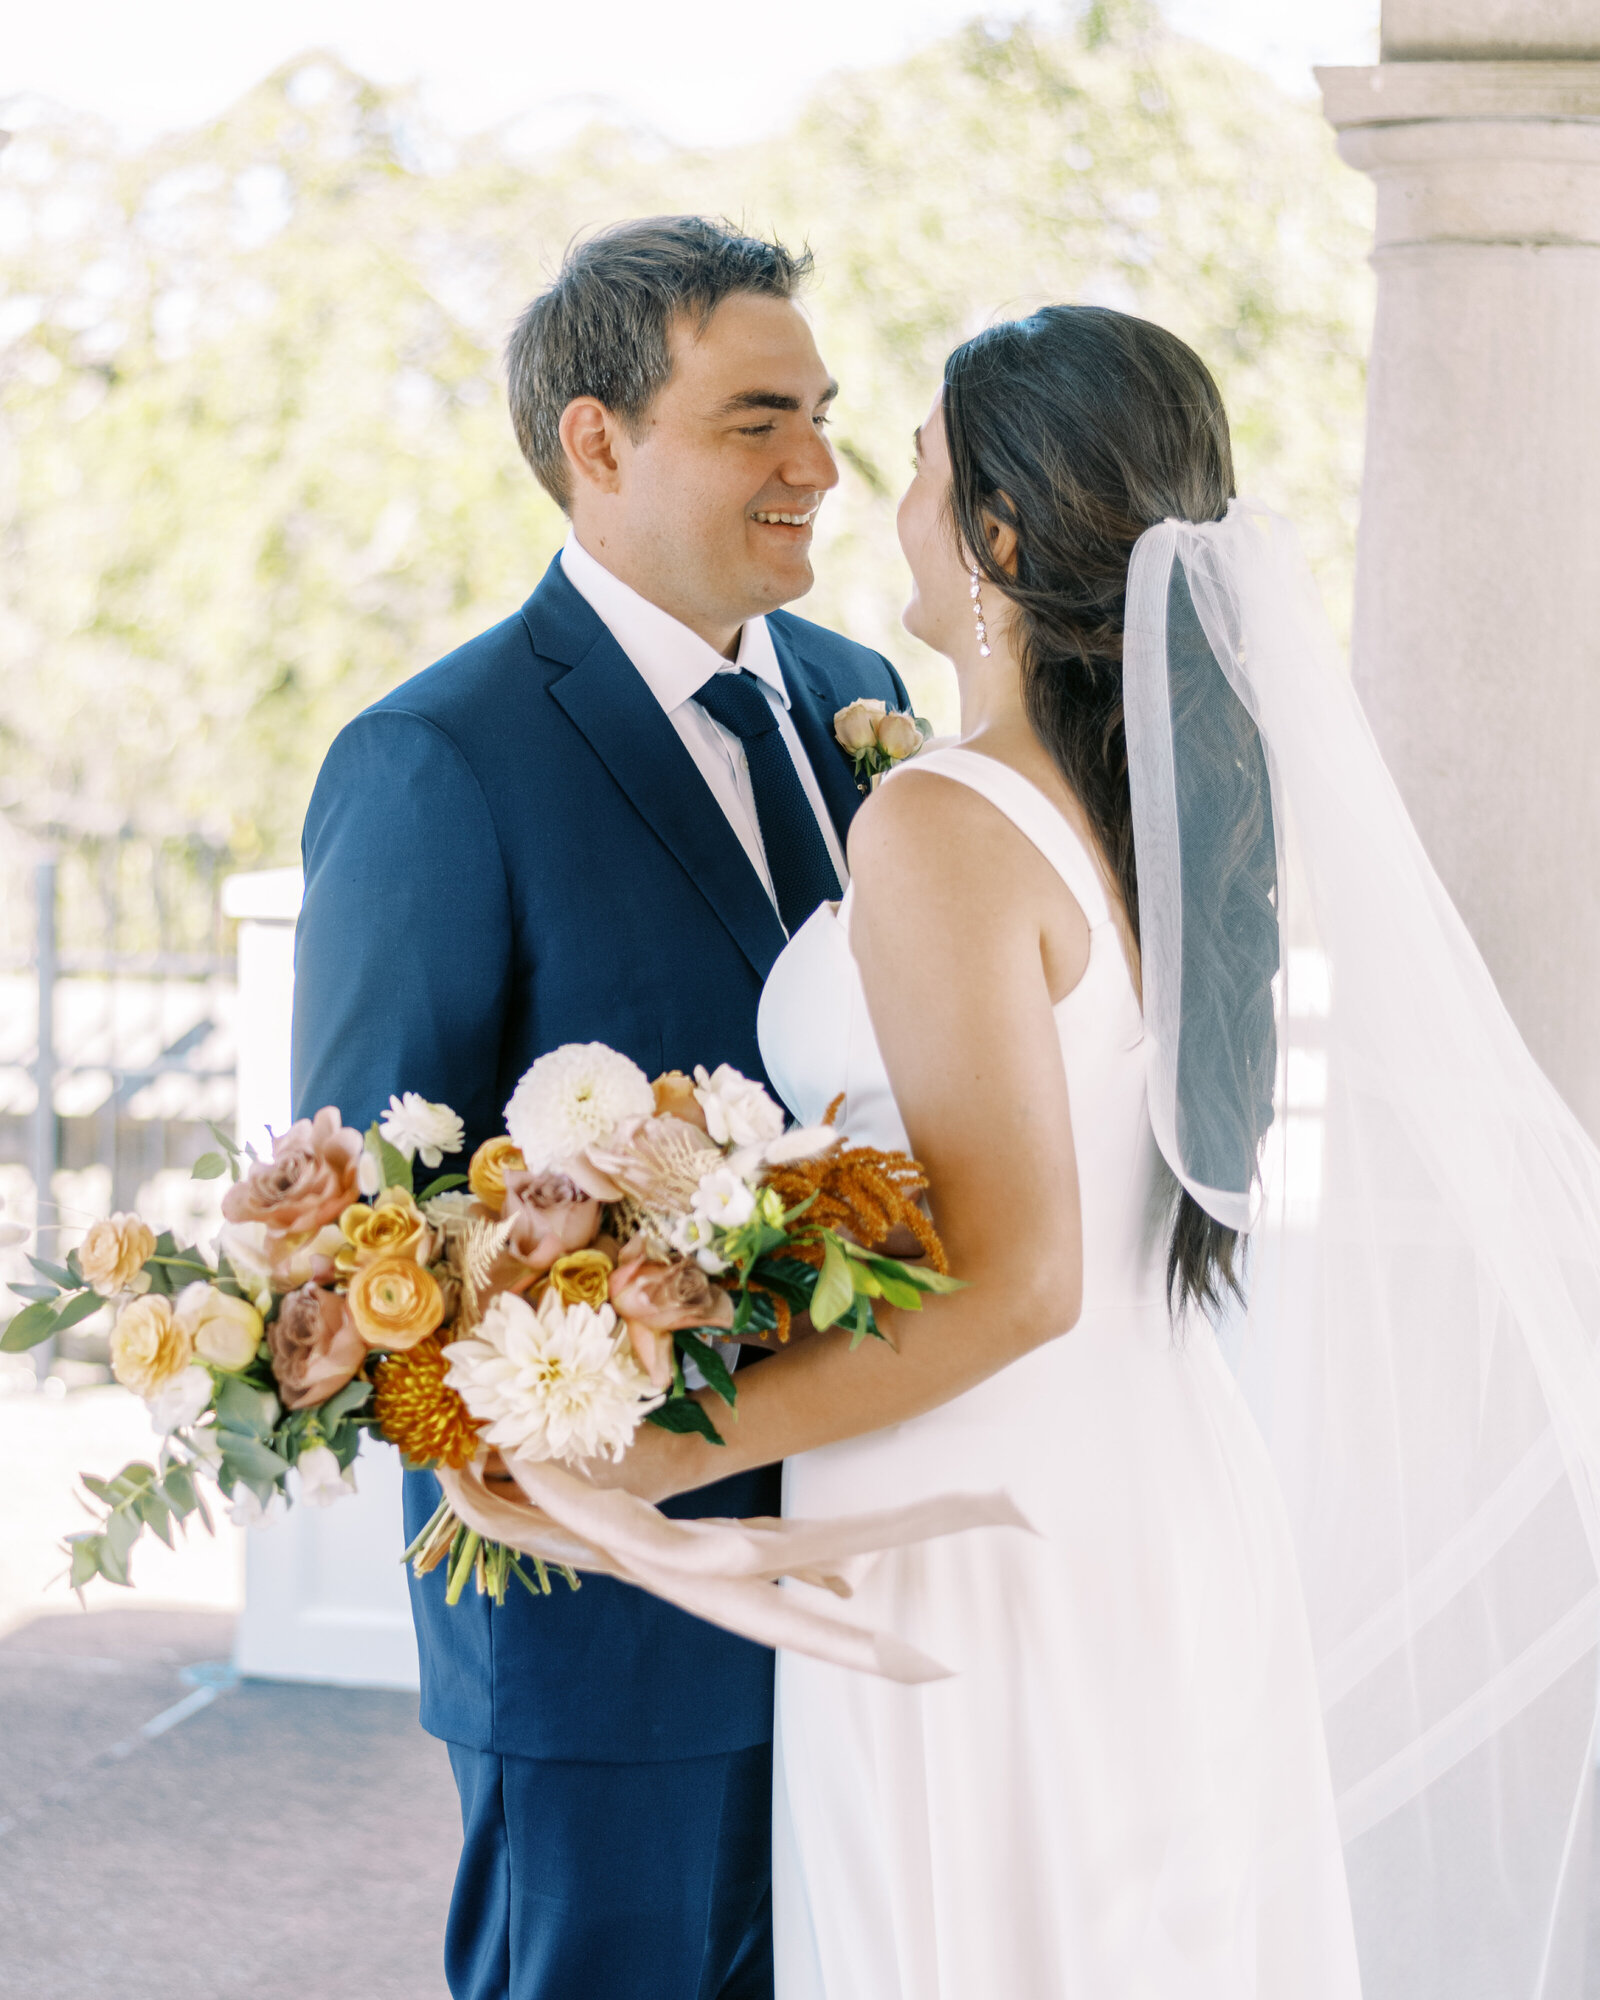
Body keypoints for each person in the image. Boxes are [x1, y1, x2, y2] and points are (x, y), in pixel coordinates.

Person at [605, 303, 1600, 1998]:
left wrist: (646, 1464)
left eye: (917, 465)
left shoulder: (942, 819)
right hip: (1152, 1499)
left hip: (970, 1535)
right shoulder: (1165, 821)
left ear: (993, 532)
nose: (881, 493)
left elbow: (1019, 1283)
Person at [290, 216, 909, 2000]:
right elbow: (365, 1225)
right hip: (608, 1621)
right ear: (597, 441)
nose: (819, 465)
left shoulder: (866, 704)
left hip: (878, 1564)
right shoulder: (441, 758)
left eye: (824, 414)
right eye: (757, 420)